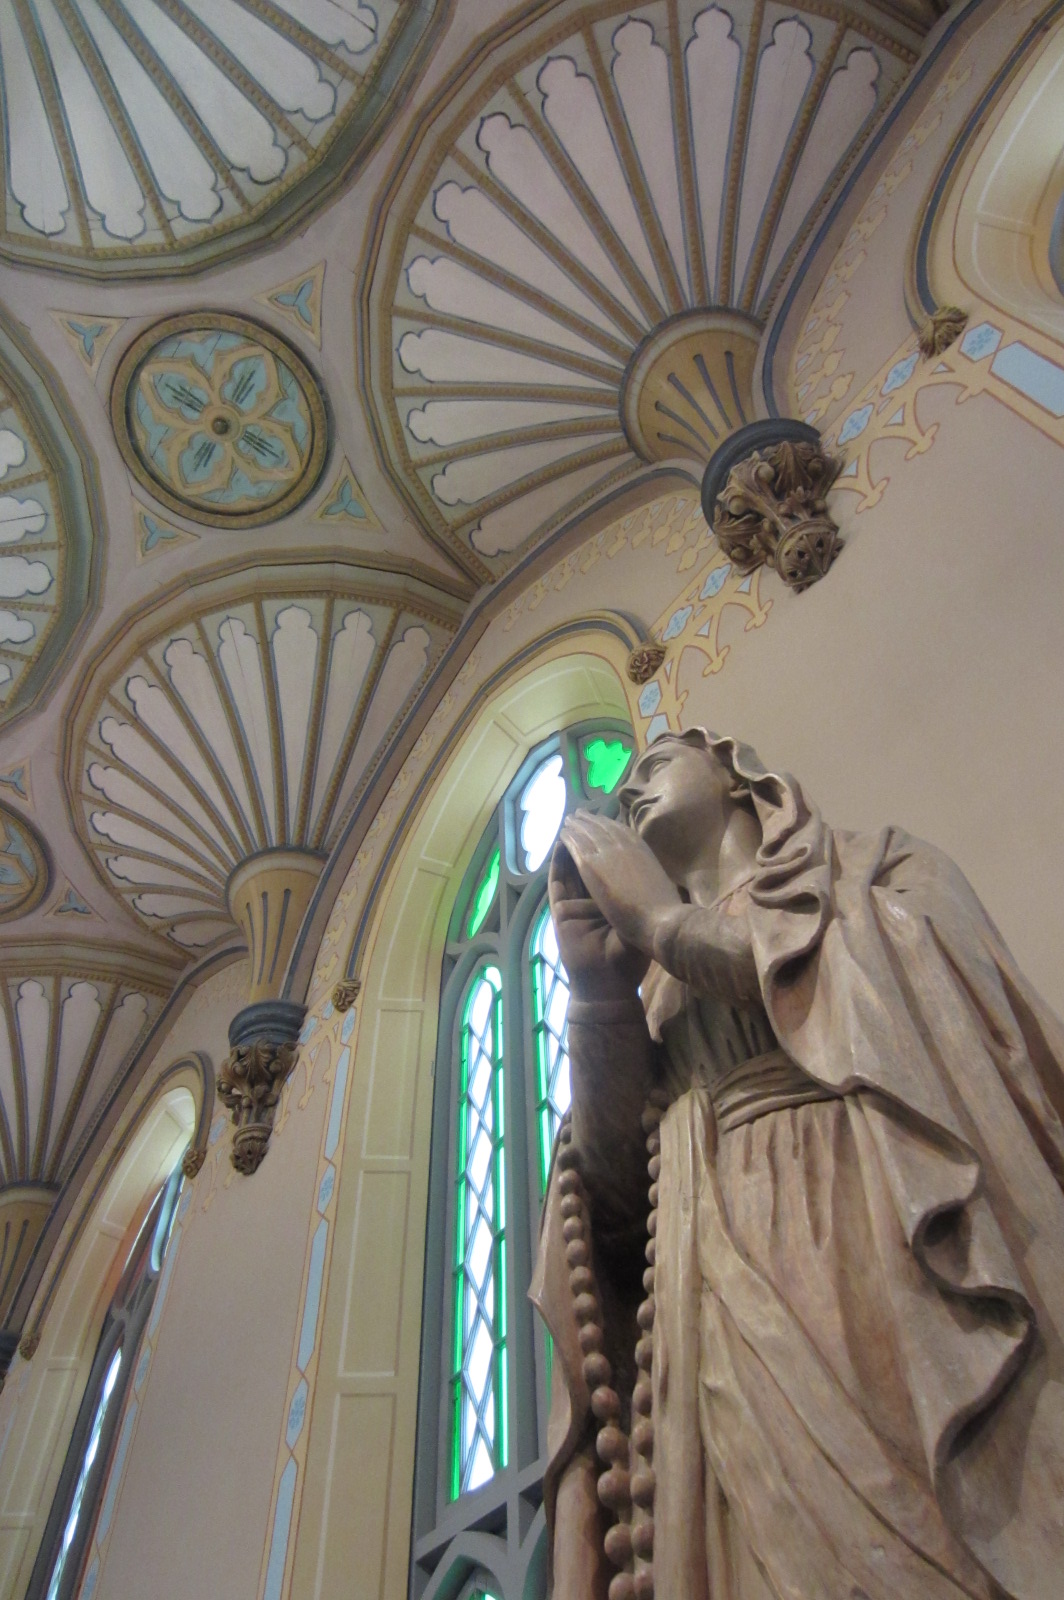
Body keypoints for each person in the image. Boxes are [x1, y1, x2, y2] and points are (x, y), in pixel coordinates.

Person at [530, 729, 1064, 1600]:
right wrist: (598, 1000)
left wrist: (670, 926)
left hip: (868, 1235)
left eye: (656, 765)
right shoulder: (652, 994)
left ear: (739, 774)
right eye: (622, 794)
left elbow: (943, 1014)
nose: (631, 795)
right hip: (708, 1294)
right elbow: (618, 1213)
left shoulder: (872, 869)